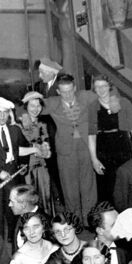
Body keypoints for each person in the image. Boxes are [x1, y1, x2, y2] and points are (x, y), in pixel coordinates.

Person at [42, 74, 98, 219]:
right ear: (58, 92)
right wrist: (23, 116)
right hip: (65, 150)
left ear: (74, 88)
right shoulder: (53, 103)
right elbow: (30, 105)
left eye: (70, 90)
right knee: (69, 187)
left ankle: (90, 220)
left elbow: (106, 93)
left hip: (86, 147)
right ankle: (75, 221)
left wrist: (113, 100)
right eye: (63, 92)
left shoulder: (86, 97)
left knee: (89, 186)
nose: (67, 95)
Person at [86, 75, 132, 203]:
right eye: (97, 87)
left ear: (109, 86)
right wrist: (94, 159)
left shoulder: (124, 103)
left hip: (123, 147)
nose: (101, 89)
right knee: (107, 188)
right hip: (103, 150)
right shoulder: (92, 107)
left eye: (104, 86)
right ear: (94, 88)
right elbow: (91, 136)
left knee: (126, 185)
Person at [0, 97, 30, 240]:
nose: (2, 116)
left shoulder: (14, 130)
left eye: (5, 112)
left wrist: (23, 165)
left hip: (13, 178)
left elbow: (22, 148)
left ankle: (13, 242)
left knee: (13, 212)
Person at [17, 92, 55, 216]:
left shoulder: (42, 124)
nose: (36, 109)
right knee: (28, 199)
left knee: (45, 198)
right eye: (32, 106)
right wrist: (34, 148)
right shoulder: (19, 125)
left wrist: (45, 150)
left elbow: (46, 145)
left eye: (38, 106)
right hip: (26, 169)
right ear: (26, 107)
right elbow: (17, 149)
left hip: (42, 167)